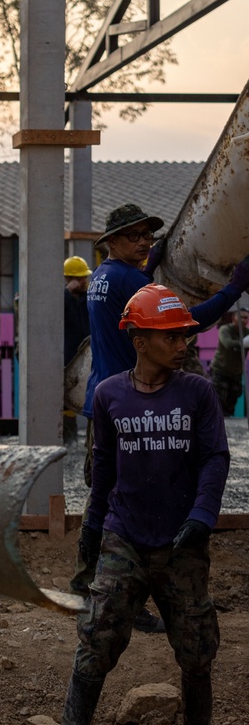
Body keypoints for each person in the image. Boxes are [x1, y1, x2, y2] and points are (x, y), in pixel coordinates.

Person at [52, 284, 229, 725]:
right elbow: (103, 467)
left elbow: (215, 458)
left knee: (196, 643)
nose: (184, 344)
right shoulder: (110, 396)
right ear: (140, 339)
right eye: (172, 337)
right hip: (124, 536)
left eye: (185, 336)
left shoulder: (198, 393)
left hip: (181, 543)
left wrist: (202, 516)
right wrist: (91, 528)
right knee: (98, 635)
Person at [72, 202, 249, 599]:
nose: (143, 243)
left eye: (147, 236)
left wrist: (148, 271)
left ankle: (90, 579)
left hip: (105, 397)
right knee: (121, 495)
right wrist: (234, 287)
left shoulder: (103, 276)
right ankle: (106, 586)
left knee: (105, 490)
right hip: (130, 401)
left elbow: (132, 295)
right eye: (133, 236)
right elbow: (188, 320)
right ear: (110, 242)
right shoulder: (128, 281)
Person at [63, 256, 92, 444]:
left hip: (86, 355)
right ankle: (68, 435)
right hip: (68, 354)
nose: (85, 281)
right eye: (81, 278)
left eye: (85, 278)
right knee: (65, 394)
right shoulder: (62, 299)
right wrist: (66, 294)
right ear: (70, 279)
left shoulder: (88, 297)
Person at [209, 310, 247, 416]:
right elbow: (228, 343)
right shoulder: (225, 329)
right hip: (220, 370)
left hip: (236, 373)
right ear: (234, 317)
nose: (243, 320)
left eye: (246, 318)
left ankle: (228, 424)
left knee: (232, 399)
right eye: (241, 317)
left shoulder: (246, 332)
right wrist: (243, 343)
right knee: (219, 399)